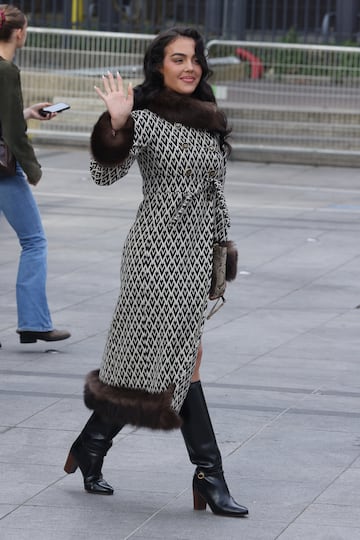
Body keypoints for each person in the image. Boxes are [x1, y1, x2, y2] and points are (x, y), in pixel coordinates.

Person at [64, 27, 248, 517]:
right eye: (178, 59)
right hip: (157, 256)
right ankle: (210, 474)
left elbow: (215, 194)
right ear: (159, 66)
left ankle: (91, 444)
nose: (189, 67)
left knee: (165, 360)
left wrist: (221, 250)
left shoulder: (207, 120)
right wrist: (117, 124)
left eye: (194, 60)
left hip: (195, 254)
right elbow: (103, 174)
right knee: (183, 360)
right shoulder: (145, 120)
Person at [0, 4, 70, 344]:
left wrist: (27, 111)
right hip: (2, 171)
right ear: (19, 33)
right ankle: (33, 322)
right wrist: (32, 168)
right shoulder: (6, 70)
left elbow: (8, 117)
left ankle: (33, 322)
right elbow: (12, 132)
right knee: (34, 242)